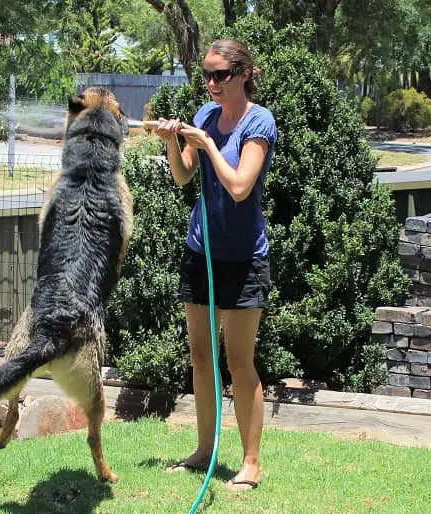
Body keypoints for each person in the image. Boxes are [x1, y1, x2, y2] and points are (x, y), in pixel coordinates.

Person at [153, 38, 277, 492]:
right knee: (201, 357)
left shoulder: (258, 122)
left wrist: (206, 143)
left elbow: (240, 186)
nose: (210, 83)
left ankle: (250, 463)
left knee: (240, 363)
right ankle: (204, 450)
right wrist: (174, 142)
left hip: (244, 259)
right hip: (201, 252)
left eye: (220, 75)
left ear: (243, 73)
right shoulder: (205, 115)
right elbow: (183, 176)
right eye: (206, 75)